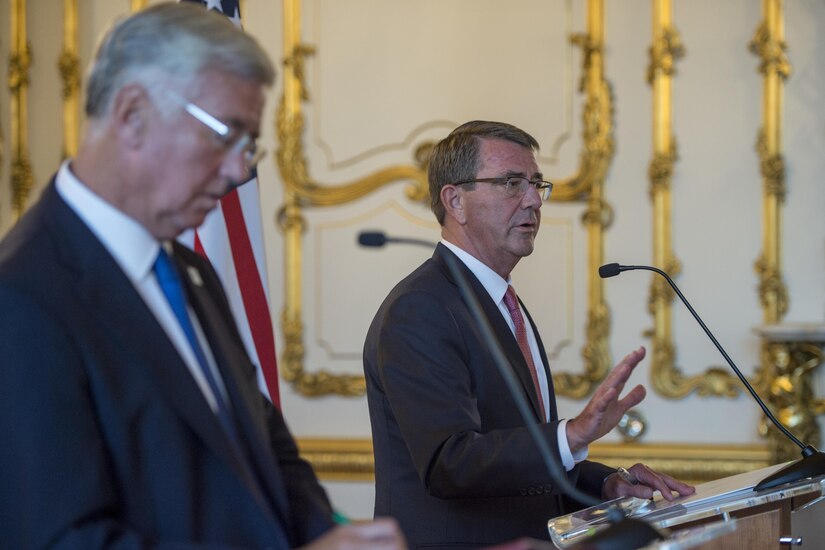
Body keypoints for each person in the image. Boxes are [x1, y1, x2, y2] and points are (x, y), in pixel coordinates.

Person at [0, 4, 404, 549]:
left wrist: (324, 537)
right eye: (226, 134)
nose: (241, 171)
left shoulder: (189, 270)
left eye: (249, 145)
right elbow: (63, 539)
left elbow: (264, 445)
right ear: (133, 114)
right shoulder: (22, 298)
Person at [363, 120, 694, 548]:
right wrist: (571, 434)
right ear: (455, 200)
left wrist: (607, 484)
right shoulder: (420, 309)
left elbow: (515, 450)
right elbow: (450, 462)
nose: (534, 200)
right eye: (511, 183)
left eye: (537, 184)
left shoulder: (502, 303)